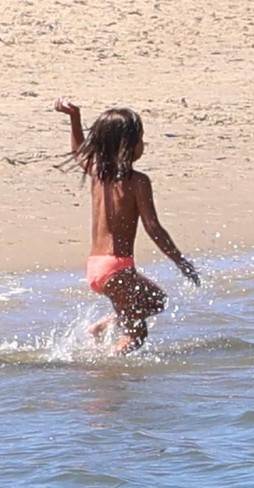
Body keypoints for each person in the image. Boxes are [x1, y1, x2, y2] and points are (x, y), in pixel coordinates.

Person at [53, 99, 199, 354]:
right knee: (136, 336)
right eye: (140, 139)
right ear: (127, 146)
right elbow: (153, 228)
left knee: (156, 300)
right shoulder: (138, 181)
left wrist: (75, 118)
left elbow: (79, 152)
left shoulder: (97, 172)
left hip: (96, 267)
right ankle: (106, 372)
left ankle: (100, 328)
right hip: (117, 268)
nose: (143, 145)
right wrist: (180, 261)